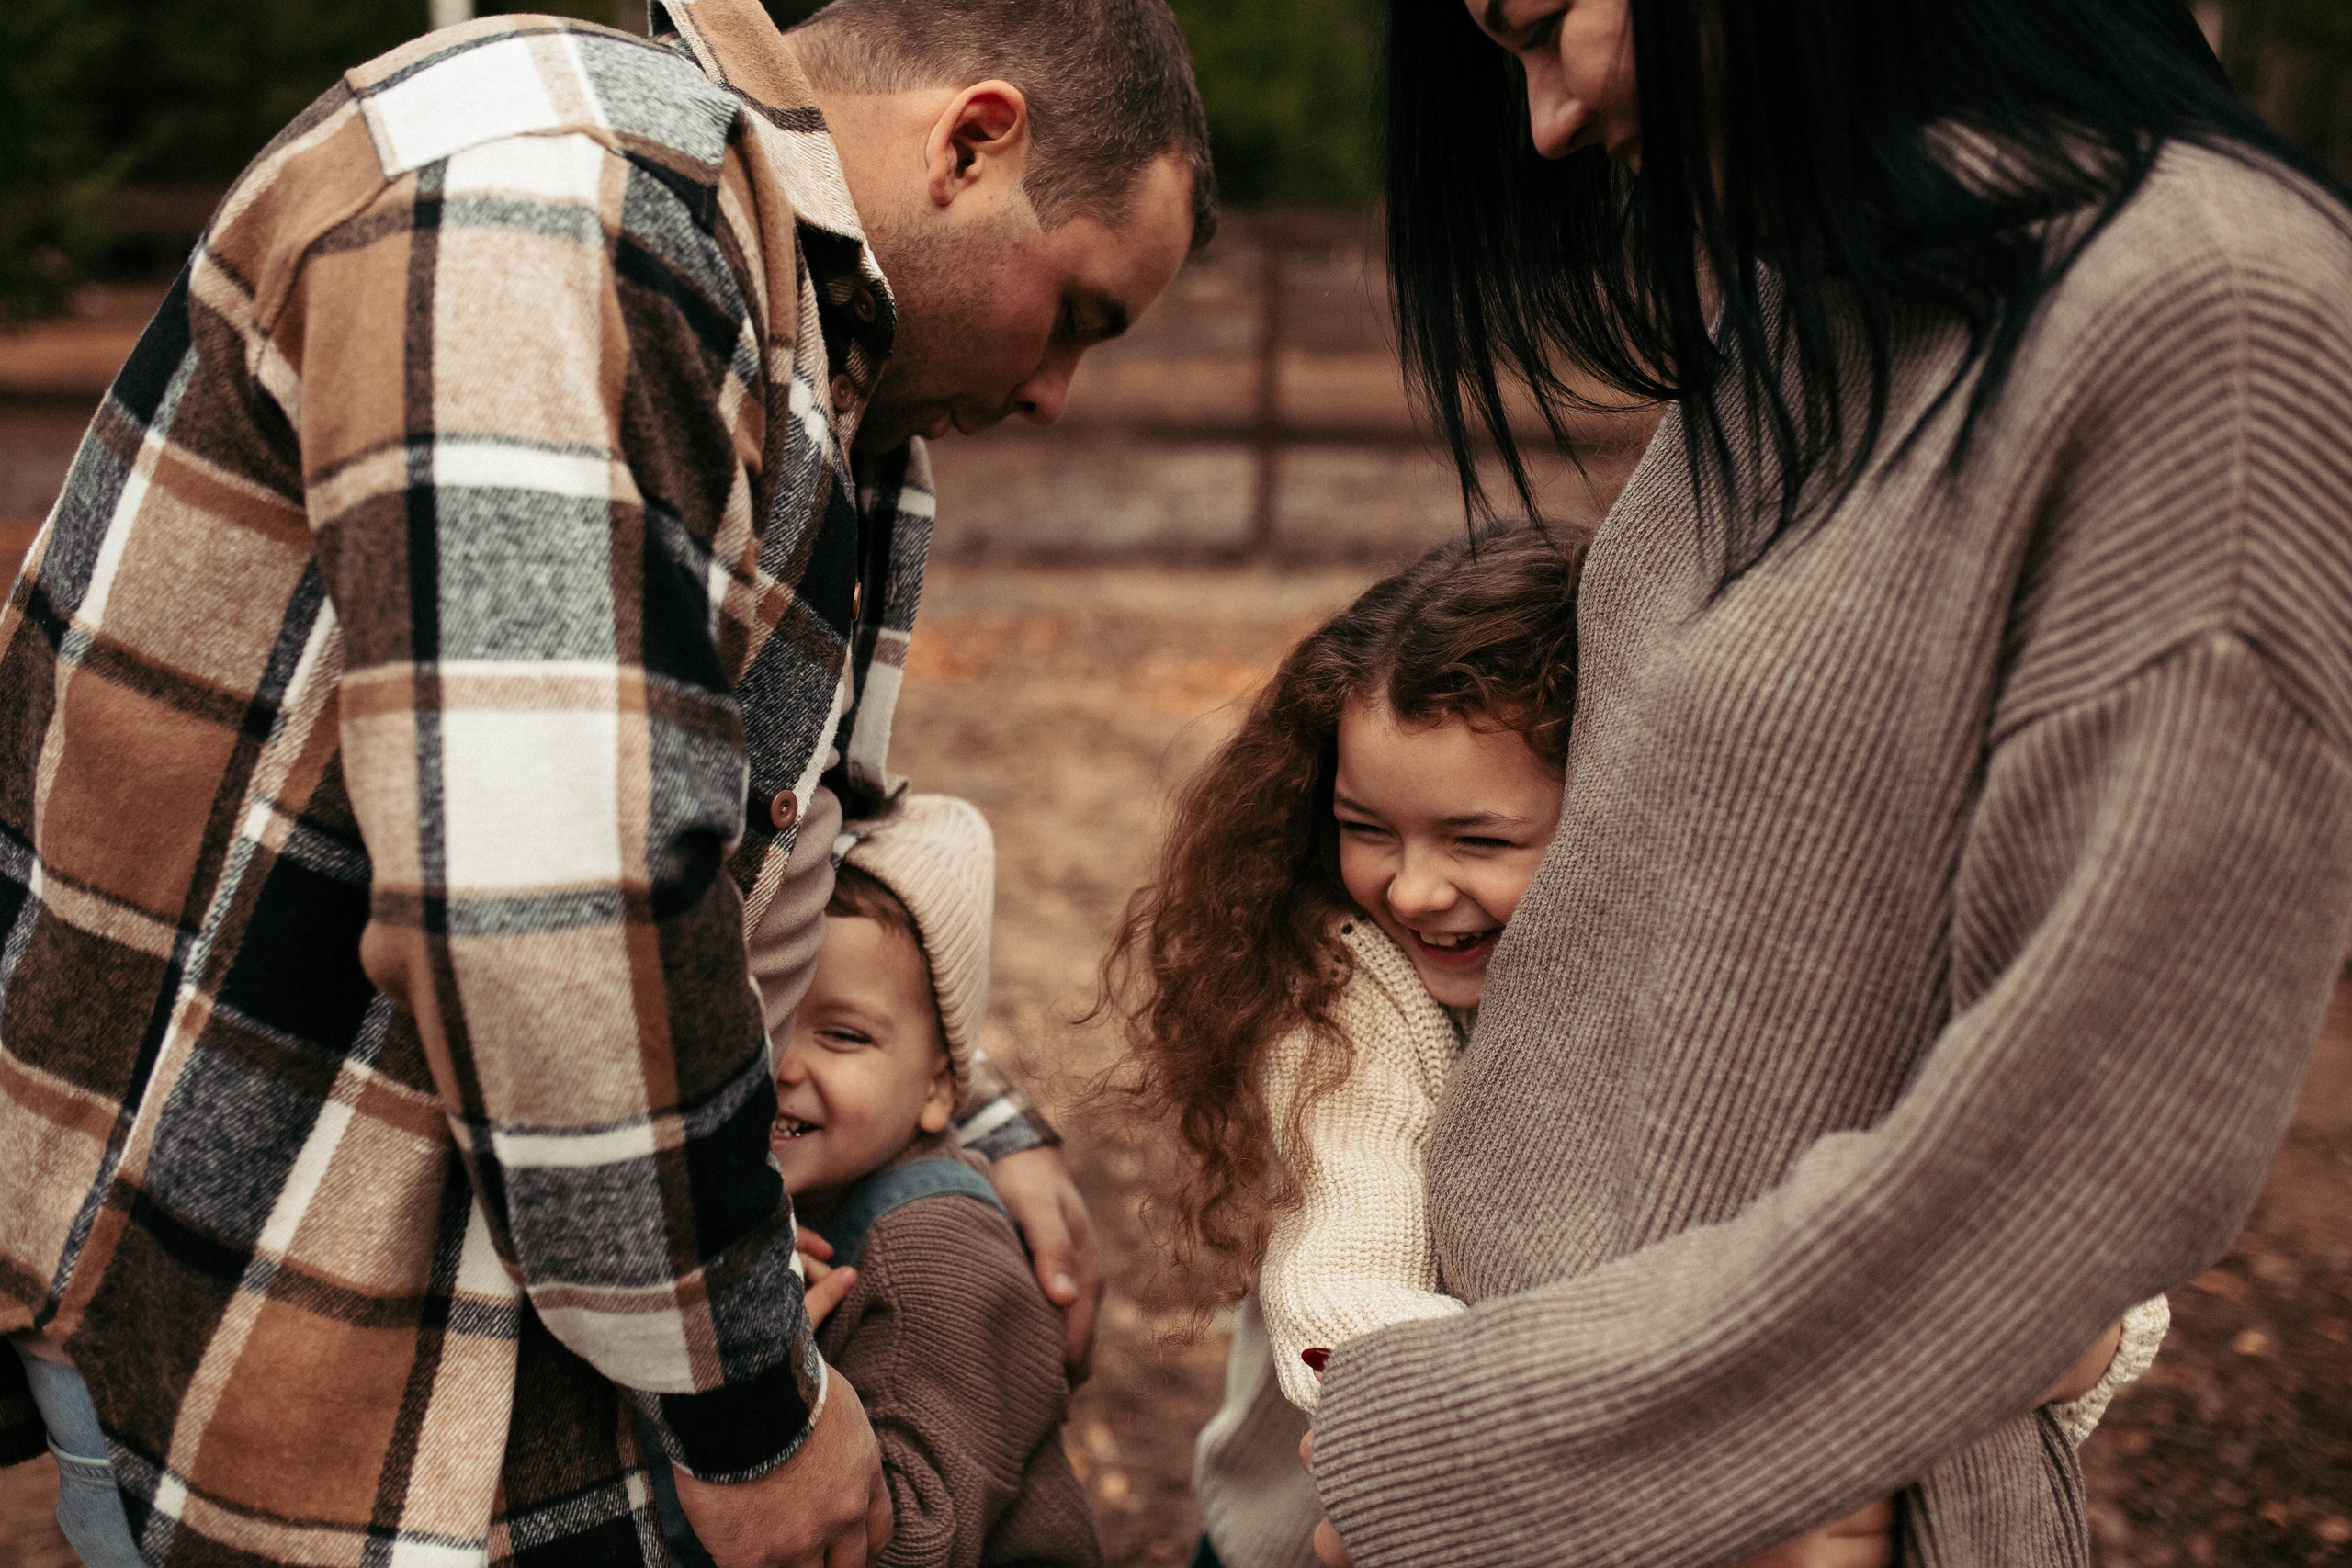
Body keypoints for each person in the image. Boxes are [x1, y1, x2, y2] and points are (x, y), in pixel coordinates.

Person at [0, 0, 1212, 1563]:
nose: (1057, 389)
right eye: (1081, 314)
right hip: (295, 1308)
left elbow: (767, 853)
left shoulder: (803, 346)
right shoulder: (556, 199)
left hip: (461, 1289)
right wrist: (751, 1414)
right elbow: (551, 891)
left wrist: (974, 1112)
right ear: (973, 143)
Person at [1290, 3, 2352, 1565]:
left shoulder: (2209, 309)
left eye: (1550, 26)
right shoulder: (1799, 305)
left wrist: (1481, 1466)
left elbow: (2092, 1142)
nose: (1548, 122)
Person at [1111, 528, 2163, 1568]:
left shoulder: (1728, 988)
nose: (1414, 889)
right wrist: (1662, 1474)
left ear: (1618, 821)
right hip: (1315, 1536)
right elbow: (1346, 1300)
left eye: (1479, 840)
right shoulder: (1346, 992)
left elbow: (2096, 1303)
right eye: (1367, 828)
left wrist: (2036, 1332)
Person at [650, 795, 1101, 1568]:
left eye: (843, 1035)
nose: (782, 1064)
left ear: (940, 1087)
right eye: (759, 1018)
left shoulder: (931, 1254)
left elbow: (913, 1542)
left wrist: (761, 1394)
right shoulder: (782, 1195)